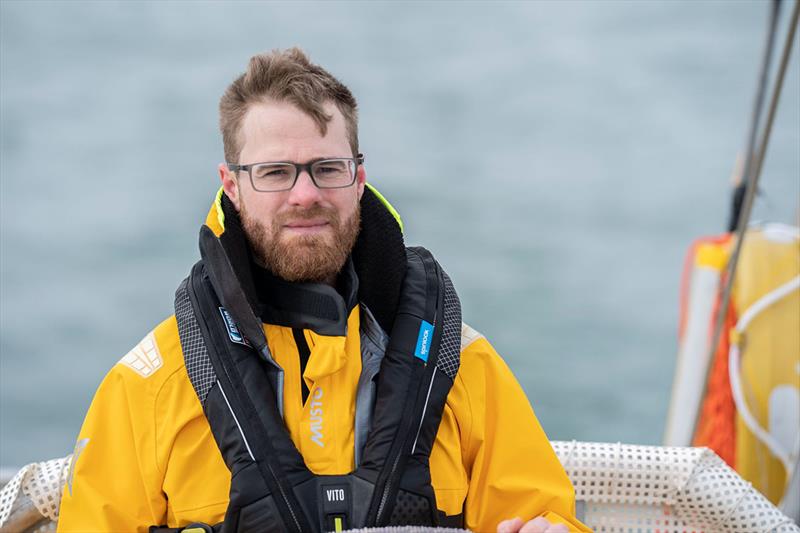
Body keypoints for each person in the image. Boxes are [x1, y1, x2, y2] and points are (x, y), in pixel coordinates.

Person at [56, 48, 590, 533]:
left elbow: (548, 514)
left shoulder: (463, 368)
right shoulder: (148, 387)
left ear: (358, 178)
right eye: (275, 172)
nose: (305, 195)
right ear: (231, 185)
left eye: (327, 168)